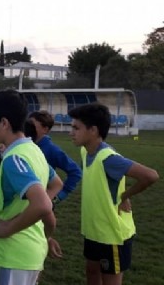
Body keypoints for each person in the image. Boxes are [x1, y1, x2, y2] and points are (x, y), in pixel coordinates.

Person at [68, 103, 158, 285]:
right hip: (94, 230)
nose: (71, 132)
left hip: (112, 235)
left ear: (93, 130)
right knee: (92, 272)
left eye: (76, 128)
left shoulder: (109, 159)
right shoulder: (86, 151)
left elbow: (150, 176)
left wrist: (124, 196)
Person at [0, 90, 62, 285]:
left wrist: (10, 227)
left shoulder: (14, 158)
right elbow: (56, 183)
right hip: (29, 252)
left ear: (4, 123)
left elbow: (42, 204)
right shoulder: (34, 150)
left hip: (11, 254)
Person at [27, 110, 82, 205]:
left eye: (33, 125)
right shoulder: (28, 145)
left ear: (45, 129)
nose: (27, 128)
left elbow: (76, 172)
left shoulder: (52, 149)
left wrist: (60, 195)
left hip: (41, 201)